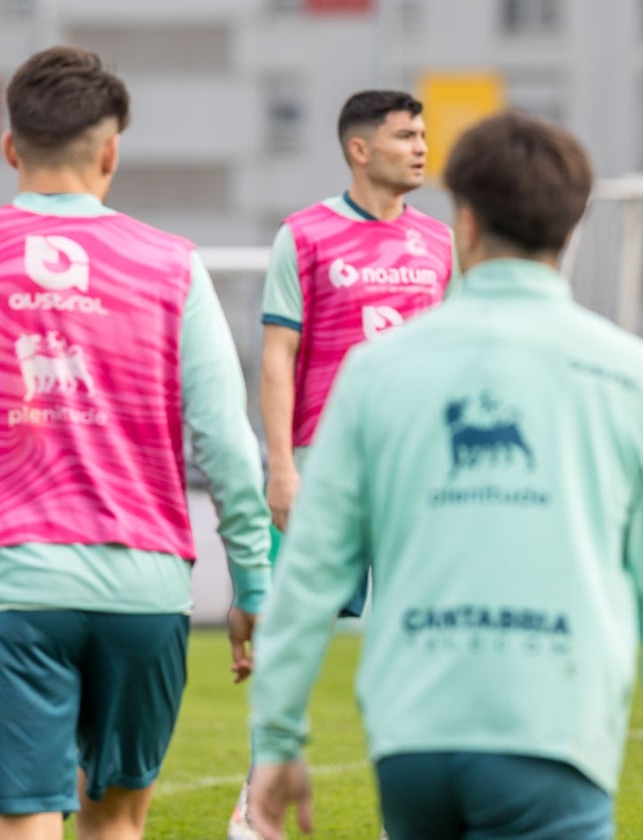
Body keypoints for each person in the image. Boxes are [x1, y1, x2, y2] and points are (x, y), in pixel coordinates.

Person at [245, 110, 643, 840]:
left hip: (414, 741)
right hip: (556, 733)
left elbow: (310, 571)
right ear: (571, 232)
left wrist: (279, 741)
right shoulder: (636, 376)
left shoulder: (377, 370)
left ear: (463, 225)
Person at [0, 46, 271, 840]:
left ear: (12, 146)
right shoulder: (173, 265)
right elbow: (226, 439)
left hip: (14, 589)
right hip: (147, 593)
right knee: (115, 823)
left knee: (21, 824)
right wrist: (254, 584)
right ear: (113, 150)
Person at [227, 88, 459, 839]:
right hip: (322, 462)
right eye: (404, 135)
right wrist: (281, 467)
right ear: (359, 149)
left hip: (417, 472)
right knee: (291, 633)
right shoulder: (305, 235)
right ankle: (257, 803)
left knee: (418, 642)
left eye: (424, 134)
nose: (421, 147)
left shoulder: (440, 243)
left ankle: (415, 811)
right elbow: (276, 356)